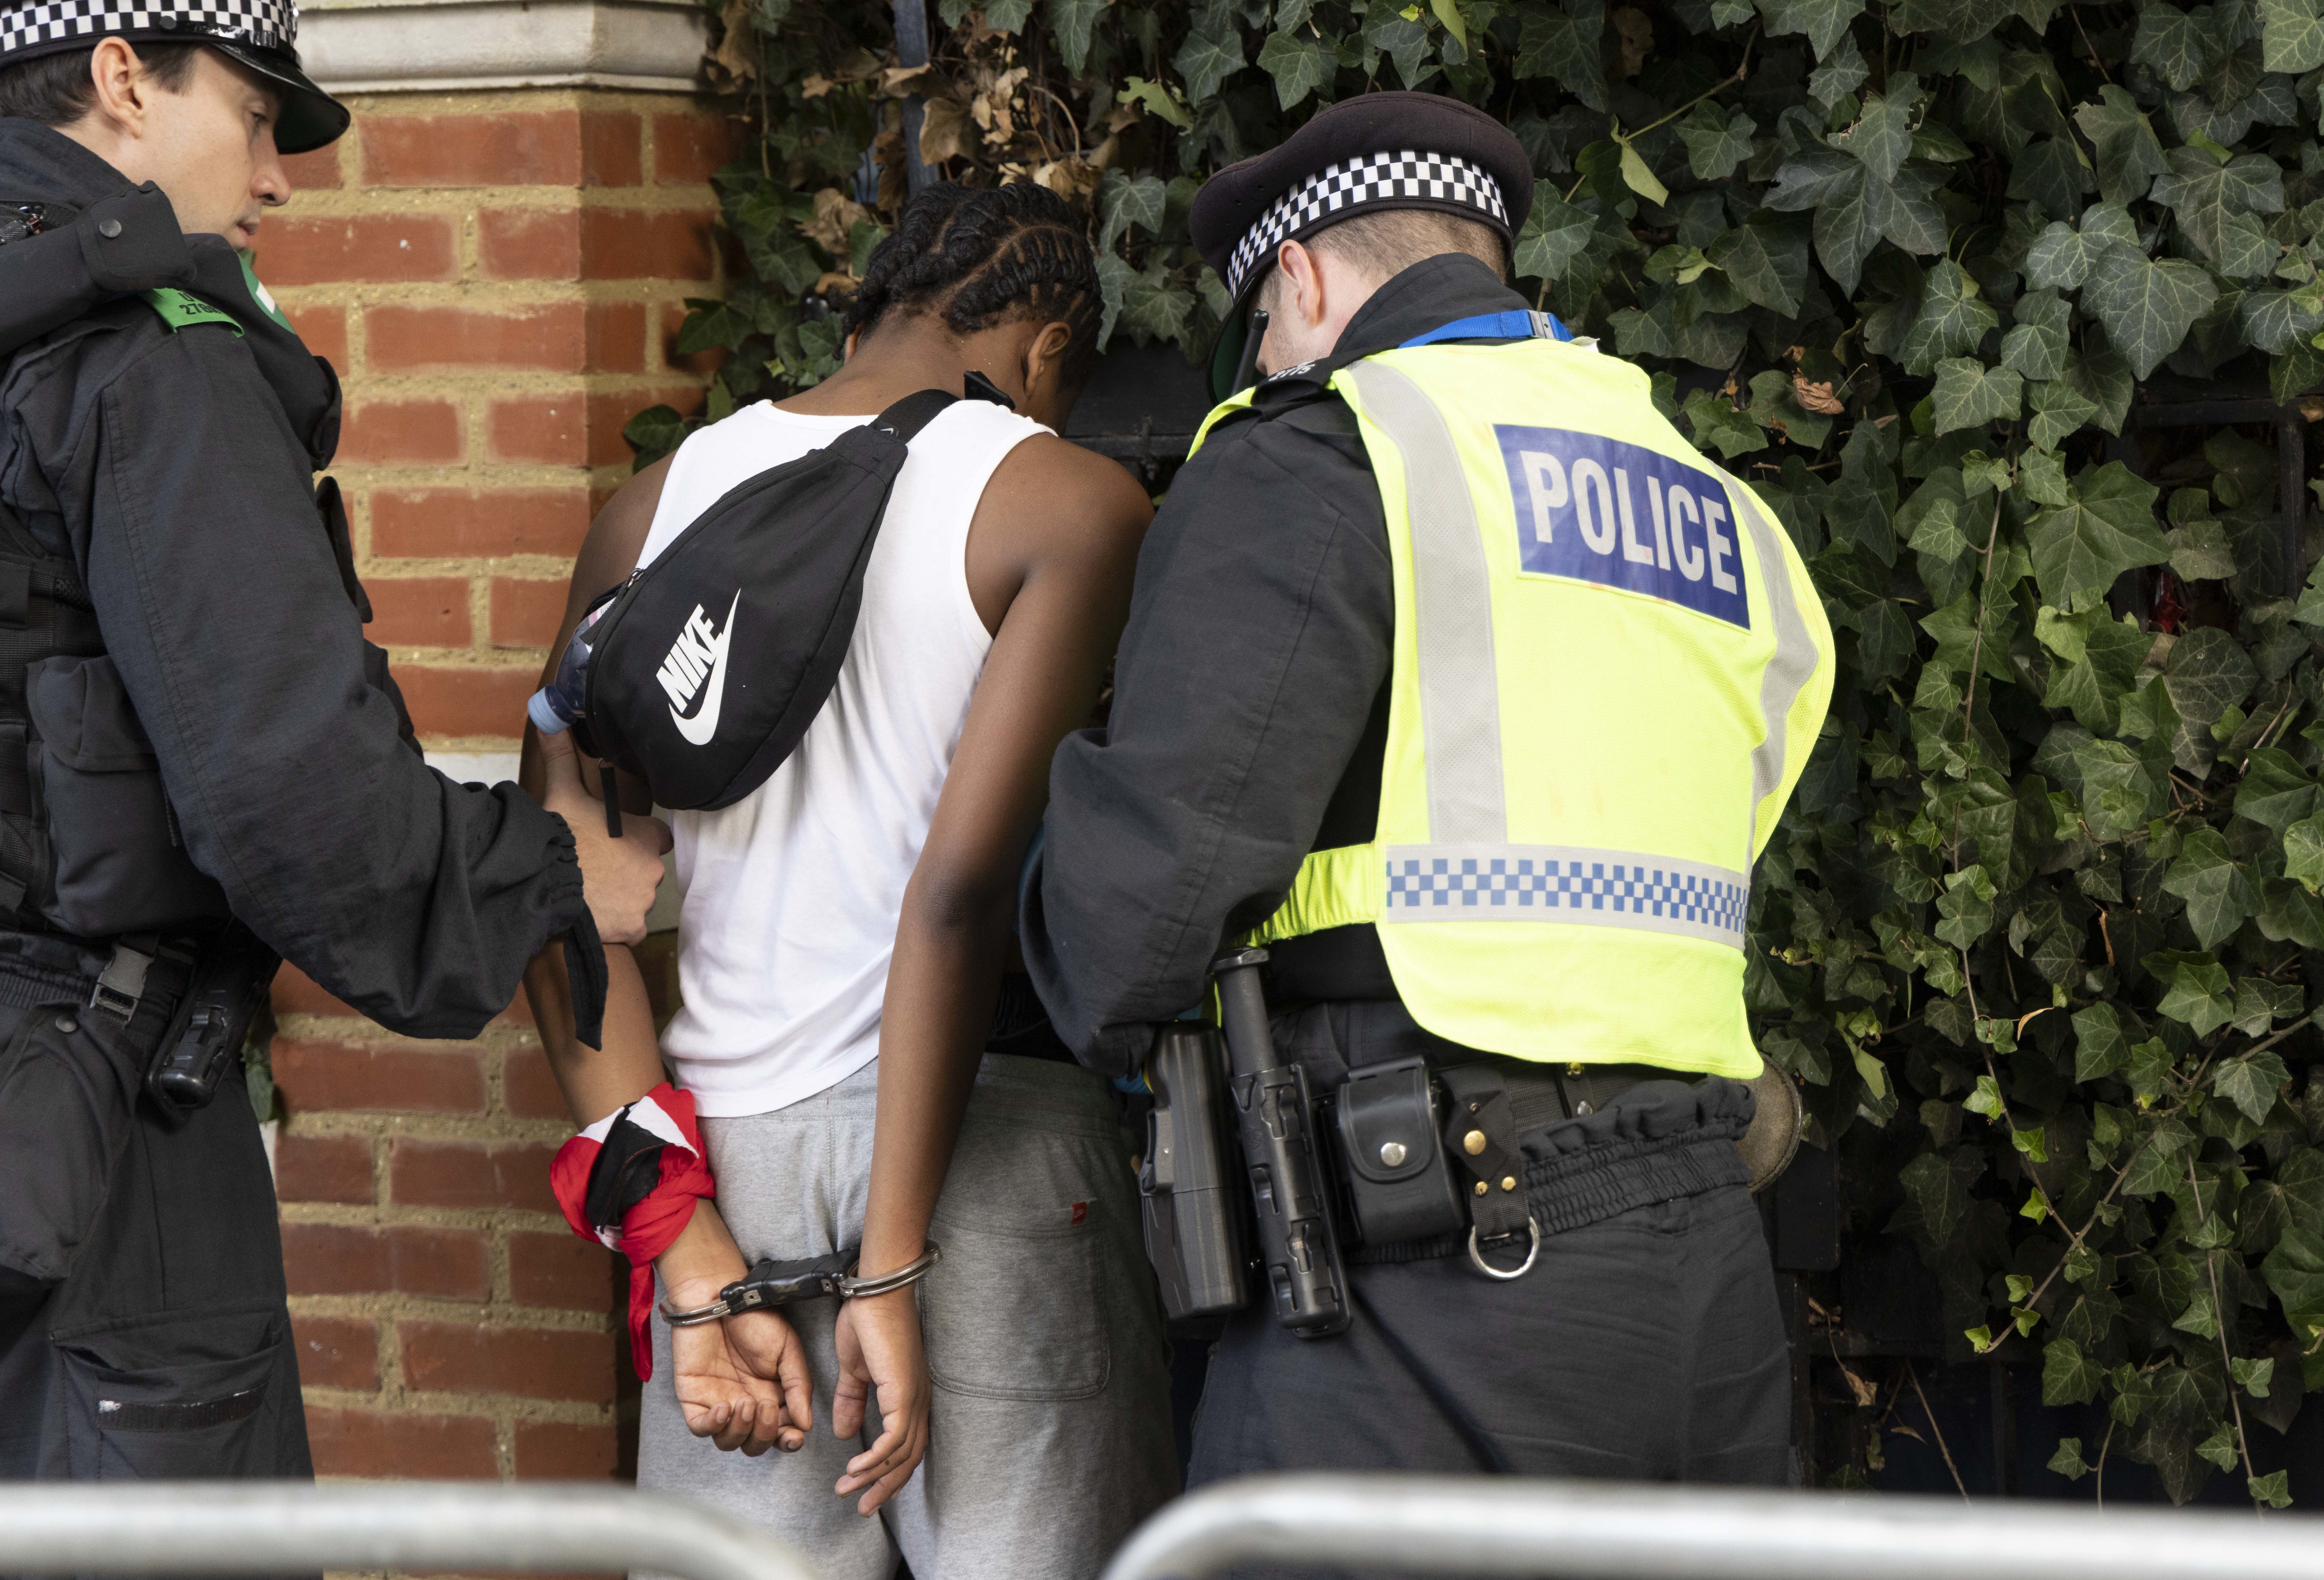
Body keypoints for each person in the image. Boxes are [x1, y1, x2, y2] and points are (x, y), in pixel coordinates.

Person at [0, 0, 665, 1487]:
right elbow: (298, 803)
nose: (280, 177)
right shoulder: (146, 353)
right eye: (252, 115)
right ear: (122, 81)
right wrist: (554, 876)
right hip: (94, 1155)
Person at [1019, 92, 1838, 1508]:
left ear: (1305, 277)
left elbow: (1135, 919)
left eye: (1260, 336)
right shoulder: (1716, 503)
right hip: (1703, 1255)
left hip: (1437, 1276)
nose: (1265, 363)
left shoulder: (1329, 451)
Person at [522, 181, 1173, 1579]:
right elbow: (959, 889)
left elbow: (555, 900)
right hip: (975, 1157)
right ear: (1048, 343)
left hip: (729, 1176)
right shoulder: (1063, 497)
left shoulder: (651, 509)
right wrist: (889, 1260)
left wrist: (680, 1237)